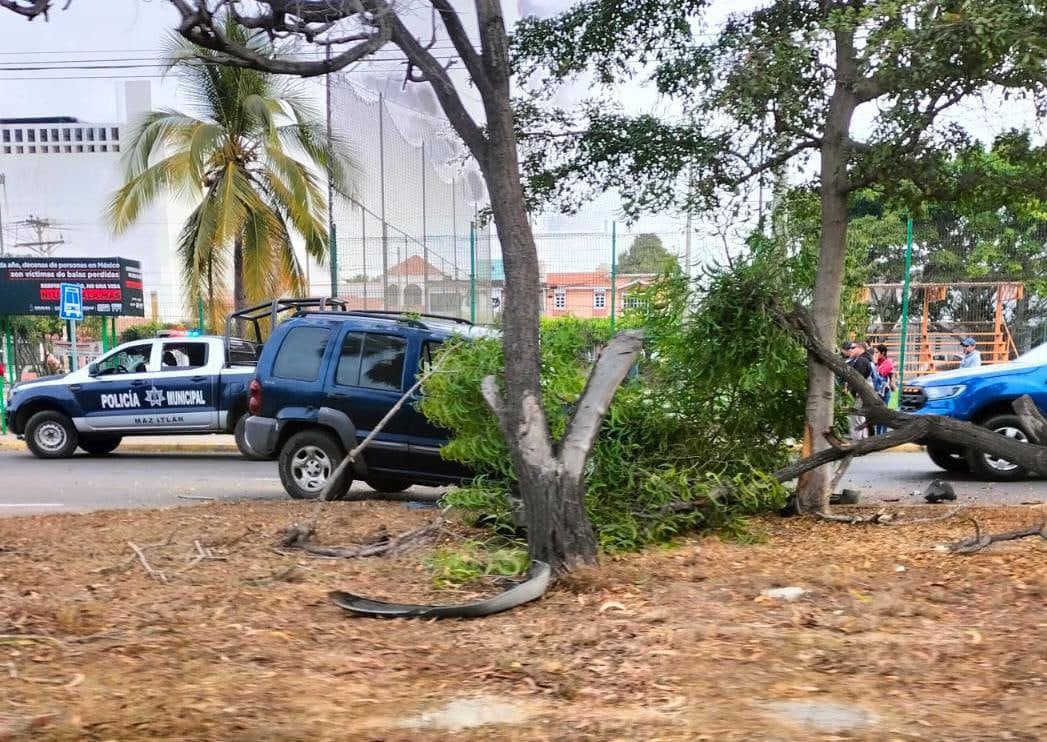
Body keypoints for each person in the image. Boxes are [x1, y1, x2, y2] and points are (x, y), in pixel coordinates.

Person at [842, 340, 873, 440]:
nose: (850, 350)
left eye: (853, 348)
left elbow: (858, 379)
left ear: (860, 348)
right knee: (861, 416)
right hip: (864, 393)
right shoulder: (864, 359)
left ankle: (857, 440)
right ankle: (863, 438)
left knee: (855, 416)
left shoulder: (861, 361)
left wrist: (853, 391)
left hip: (861, 393)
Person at [872, 344, 895, 434]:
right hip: (877, 391)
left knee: (884, 412)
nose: (875, 354)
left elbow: (881, 374)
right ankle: (878, 433)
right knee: (878, 413)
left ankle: (884, 433)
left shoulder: (888, 362)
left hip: (885, 391)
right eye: (874, 352)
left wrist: (875, 363)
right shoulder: (877, 362)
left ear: (883, 353)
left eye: (877, 352)